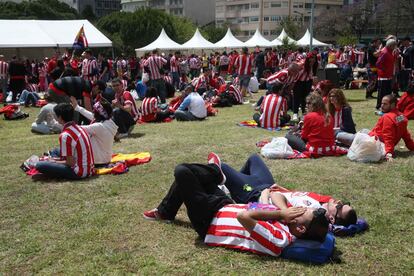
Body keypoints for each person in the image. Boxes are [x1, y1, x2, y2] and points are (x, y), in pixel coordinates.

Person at [143, 154, 329, 257]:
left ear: (301, 227)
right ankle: (165, 212)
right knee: (193, 178)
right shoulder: (286, 221)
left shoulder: (280, 239)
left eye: (304, 212)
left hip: (209, 221)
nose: (301, 208)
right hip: (224, 205)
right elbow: (264, 198)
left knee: (183, 172)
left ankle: (217, 173)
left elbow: (244, 217)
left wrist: (280, 213)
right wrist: (281, 211)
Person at [217, 153, 357, 227]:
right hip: (269, 185)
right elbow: (292, 198)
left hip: (255, 192)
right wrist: (285, 190)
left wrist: (267, 198)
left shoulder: (310, 215)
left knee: (221, 167)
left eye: (339, 205)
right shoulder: (319, 203)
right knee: (253, 158)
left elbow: (280, 213)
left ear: (332, 218)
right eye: (343, 202)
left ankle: (237, 189)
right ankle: (234, 187)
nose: (338, 201)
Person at [34, 103, 95, 179]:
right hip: (89, 168)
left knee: (40, 165)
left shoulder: (65, 135)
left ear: (60, 118)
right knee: (56, 151)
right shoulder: (79, 128)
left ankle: (49, 171)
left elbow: (70, 163)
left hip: (79, 172)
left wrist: (54, 161)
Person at [70, 97, 118, 166]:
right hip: (105, 159)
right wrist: (77, 107)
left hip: (98, 161)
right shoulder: (109, 122)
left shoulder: (99, 126)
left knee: (60, 152)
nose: (93, 111)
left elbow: (76, 128)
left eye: (94, 110)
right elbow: (91, 116)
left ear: (98, 113)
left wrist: (60, 123)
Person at [369, 95, 414, 161]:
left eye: (385, 104)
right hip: (382, 141)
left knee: (358, 134)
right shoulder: (402, 116)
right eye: (382, 103)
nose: (381, 106)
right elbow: (405, 134)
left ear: (392, 105)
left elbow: (388, 136)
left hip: (375, 141)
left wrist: (389, 153)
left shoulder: (387, 117)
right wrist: (412, 147)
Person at [292, 52, 319, 121]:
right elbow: (295, 70)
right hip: (298, 81)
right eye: (311, 58)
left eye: (314, 58)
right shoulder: (302, 63)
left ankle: (304, 113)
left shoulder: (315, 65)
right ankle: (295, 113)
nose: (312, 60)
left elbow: (313, 75)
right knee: (296, 97)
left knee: (306, 98)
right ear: (308, 58)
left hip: (308, 82)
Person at [376, 39, 397, 110]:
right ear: (390, 45)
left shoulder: (390, 52)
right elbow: (378, 64)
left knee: (387, 93)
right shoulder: (384, 52)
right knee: (382, 93)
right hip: (383, 77)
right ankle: (379, 106)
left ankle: (386, 107)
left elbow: (392, 61)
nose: (395, 47)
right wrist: (385, 70)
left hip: (388, 76)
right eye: (394, 45)